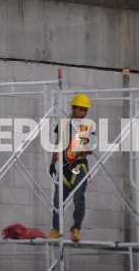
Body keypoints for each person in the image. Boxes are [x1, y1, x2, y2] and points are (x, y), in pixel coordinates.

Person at [49, 93, 94, 242]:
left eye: (85, 111)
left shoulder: (87, 126)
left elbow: (90, 146)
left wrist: (84, 146)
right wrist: (52, 163)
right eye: (80, 110)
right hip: (64, 167)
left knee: (78, 197)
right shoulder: (63, 125)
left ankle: (76, 228)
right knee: (57, 200)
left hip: (79, 166)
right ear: (73, 109)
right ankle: (56, 229)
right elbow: (57, 144)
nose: (83, 113)